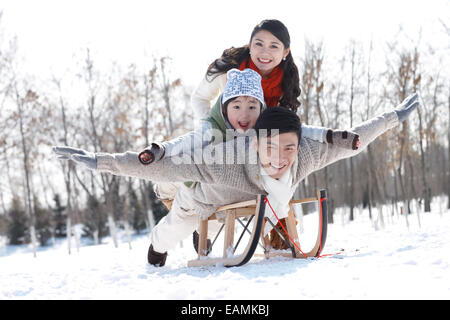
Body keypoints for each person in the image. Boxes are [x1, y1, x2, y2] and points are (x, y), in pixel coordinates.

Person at [53, 93, 419, 267]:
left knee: (214, 228)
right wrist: (102, 162)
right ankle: (157, 246)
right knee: (175, 226)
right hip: (203, 194)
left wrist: (393, 117)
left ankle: (206, 232)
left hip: (248, 204)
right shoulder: (226, 158)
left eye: (288, 148)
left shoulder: (306, 154)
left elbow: (355, 140)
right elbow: (162, 166)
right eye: (271, 147)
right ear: (255, 142)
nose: (280, 157)